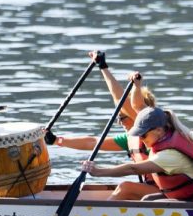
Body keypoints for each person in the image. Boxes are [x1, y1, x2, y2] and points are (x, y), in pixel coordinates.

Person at [52, 52, 155, 201]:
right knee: (125, 188)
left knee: (125, 187)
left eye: (122, 117)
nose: (119, 122)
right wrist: (57, 140)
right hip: (156, 187)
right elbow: (92, 143)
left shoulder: (153, 129)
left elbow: (121, 100)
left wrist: (103, 67)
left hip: (171, 192)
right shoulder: (130, 139)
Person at [81, 102, 193, 202]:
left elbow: (133, 169)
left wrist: (98, 171)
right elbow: (131, 104)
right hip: (187, 195)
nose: (141, 139)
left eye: (143, 135)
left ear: (159, 130)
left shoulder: (170, 154)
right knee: (146, 199)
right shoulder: (165, 138)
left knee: (151, 202)